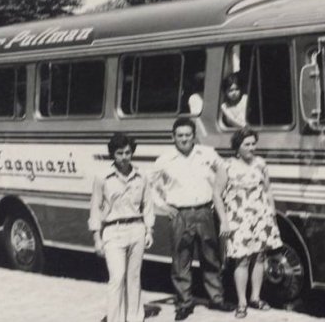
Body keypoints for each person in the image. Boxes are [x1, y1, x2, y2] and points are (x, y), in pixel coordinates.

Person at [151, 118, 235, 321]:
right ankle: (184, 303)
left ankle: (216, 298)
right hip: (180, 214)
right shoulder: (164, 160)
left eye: (188, 135)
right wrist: (163, 206)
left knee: (211, 257)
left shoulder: (206, 153)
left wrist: (219, 193)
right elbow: (150, 186)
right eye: (179, 135)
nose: (184, 139)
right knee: (181, 260)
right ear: (173, 137)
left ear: (194, 135)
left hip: (205, 211)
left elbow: (224, 169)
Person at [212, 127, 282, 319]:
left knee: (259, 257)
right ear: (237, 147)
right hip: (238, 218)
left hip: (260, 216)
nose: (252, 147)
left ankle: (255, 297)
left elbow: (267, 189)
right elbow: (217, 194)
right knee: (242, 259)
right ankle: (241, 302)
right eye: (247, 144)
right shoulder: (227, 166)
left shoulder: (260, 163)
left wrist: (272, 212)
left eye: (253, 143)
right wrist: (224, 221)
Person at [89, 133, 155, 322]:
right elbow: (95, 208)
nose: (124, 157)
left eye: (127, 152)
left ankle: (134, 317)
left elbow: (147, 205)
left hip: (137, 229)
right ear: (113, 154)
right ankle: (115, 318)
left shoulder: (142, 176)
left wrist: (149, 230)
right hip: (113, 231)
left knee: (133, 278)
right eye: (120, 153)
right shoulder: (102, 178)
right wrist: (97, 238)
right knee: (117, 277)